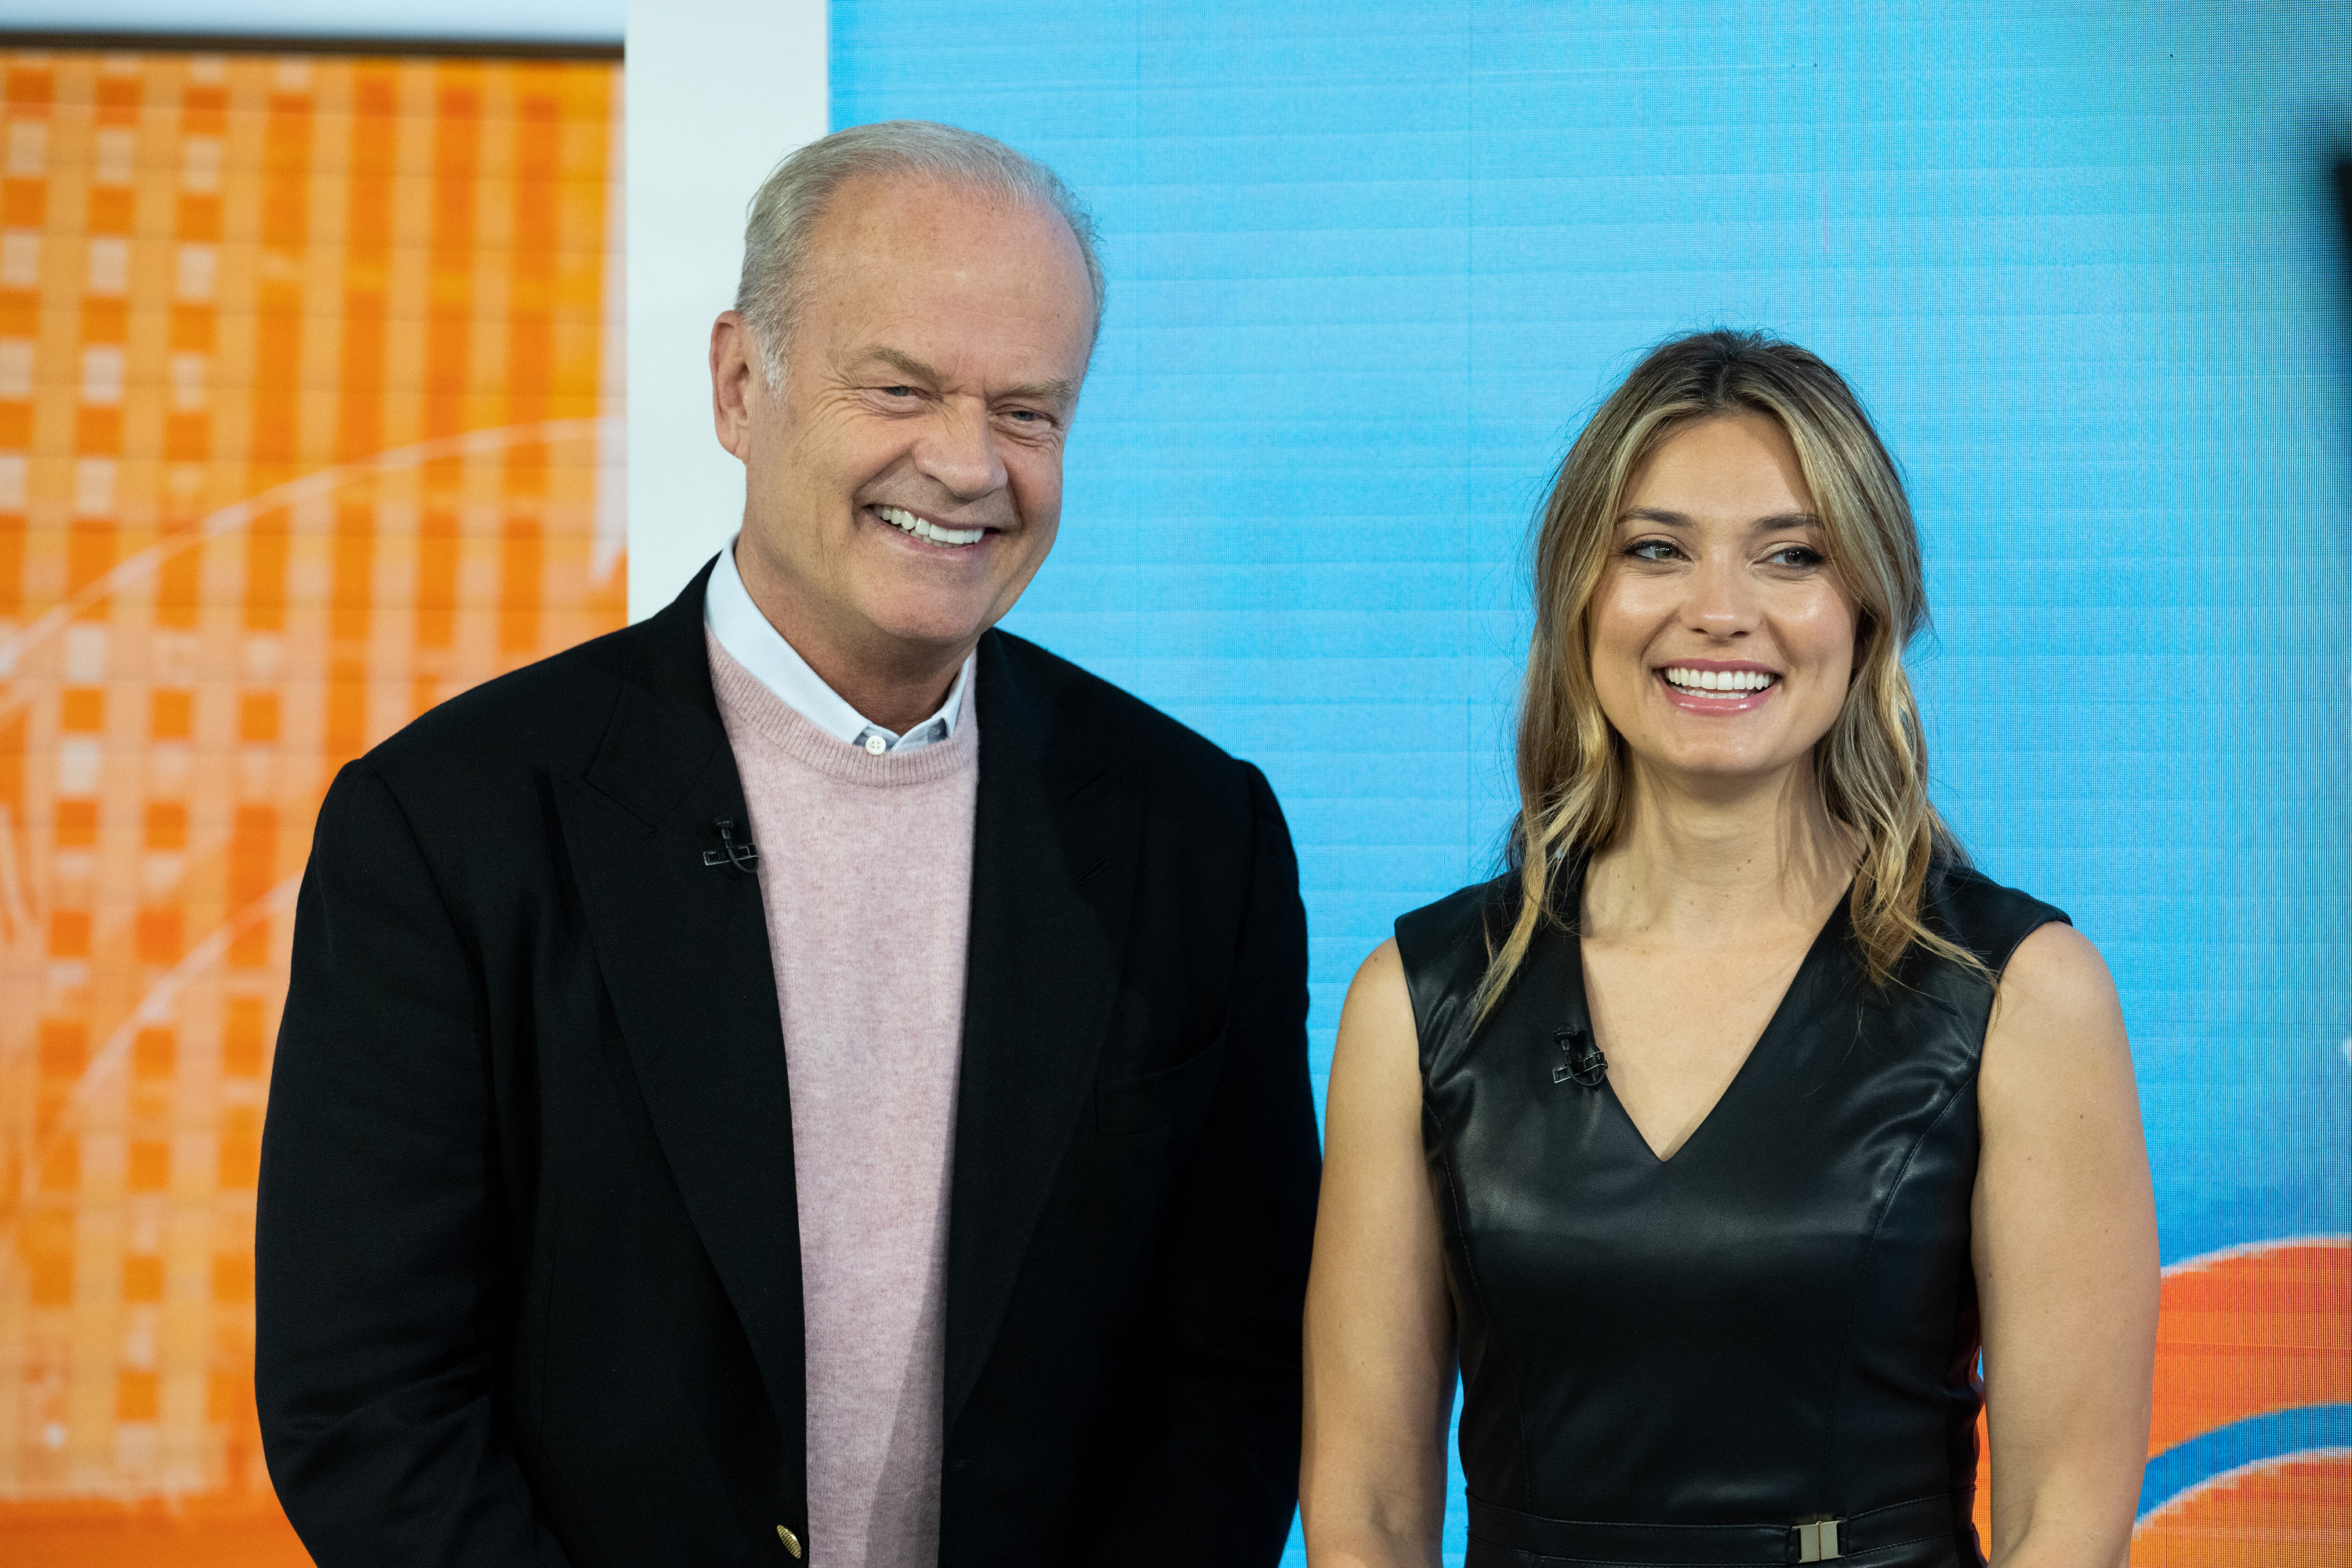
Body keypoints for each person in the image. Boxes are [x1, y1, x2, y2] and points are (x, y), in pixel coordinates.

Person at [256, 121, 1319, 1568]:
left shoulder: (1198, 836)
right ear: (740, 386)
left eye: (1030, 412)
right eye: (900, 389)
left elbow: (1231, 1377)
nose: (967, 465)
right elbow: (369, 1404)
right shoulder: (451, 824)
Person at [1300, 331, 2158, 1568]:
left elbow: (2063, 1521)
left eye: (1790, 556)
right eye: (1655, 550)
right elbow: (1368, 1515)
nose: (1717, 611)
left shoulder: (2021, 995)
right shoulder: (1421, 999)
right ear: (1579, 595)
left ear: (1866, 608)